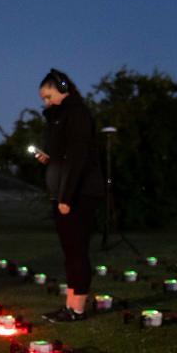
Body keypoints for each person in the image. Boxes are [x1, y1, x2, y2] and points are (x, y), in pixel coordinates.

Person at [34, 69, 105, 322]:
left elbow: (77, 158)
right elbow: (64, 157)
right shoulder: (59, 117)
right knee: (70, 252)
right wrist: (49, 160)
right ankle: (70, 306)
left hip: (78, 194)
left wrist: (66, 197)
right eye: (43, 98)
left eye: (48, 95)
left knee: (77, 251)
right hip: (64, 193)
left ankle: (78, 309)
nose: (46, 102)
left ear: (63, 88)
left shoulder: (77, 114)